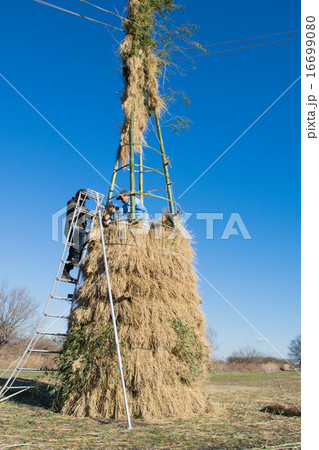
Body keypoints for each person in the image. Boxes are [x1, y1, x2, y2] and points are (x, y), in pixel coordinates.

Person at [61, 189, 91, 282]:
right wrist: (86, 212)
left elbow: (88, 213)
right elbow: (76, 210)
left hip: (79, 230)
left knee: (85, 239)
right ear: (79, 196)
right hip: (72, 229)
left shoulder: (83, 206)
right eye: (84, 198)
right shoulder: (72, 202)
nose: (84, 200)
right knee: (81, 235)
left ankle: (66, 273)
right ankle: (74, 258)